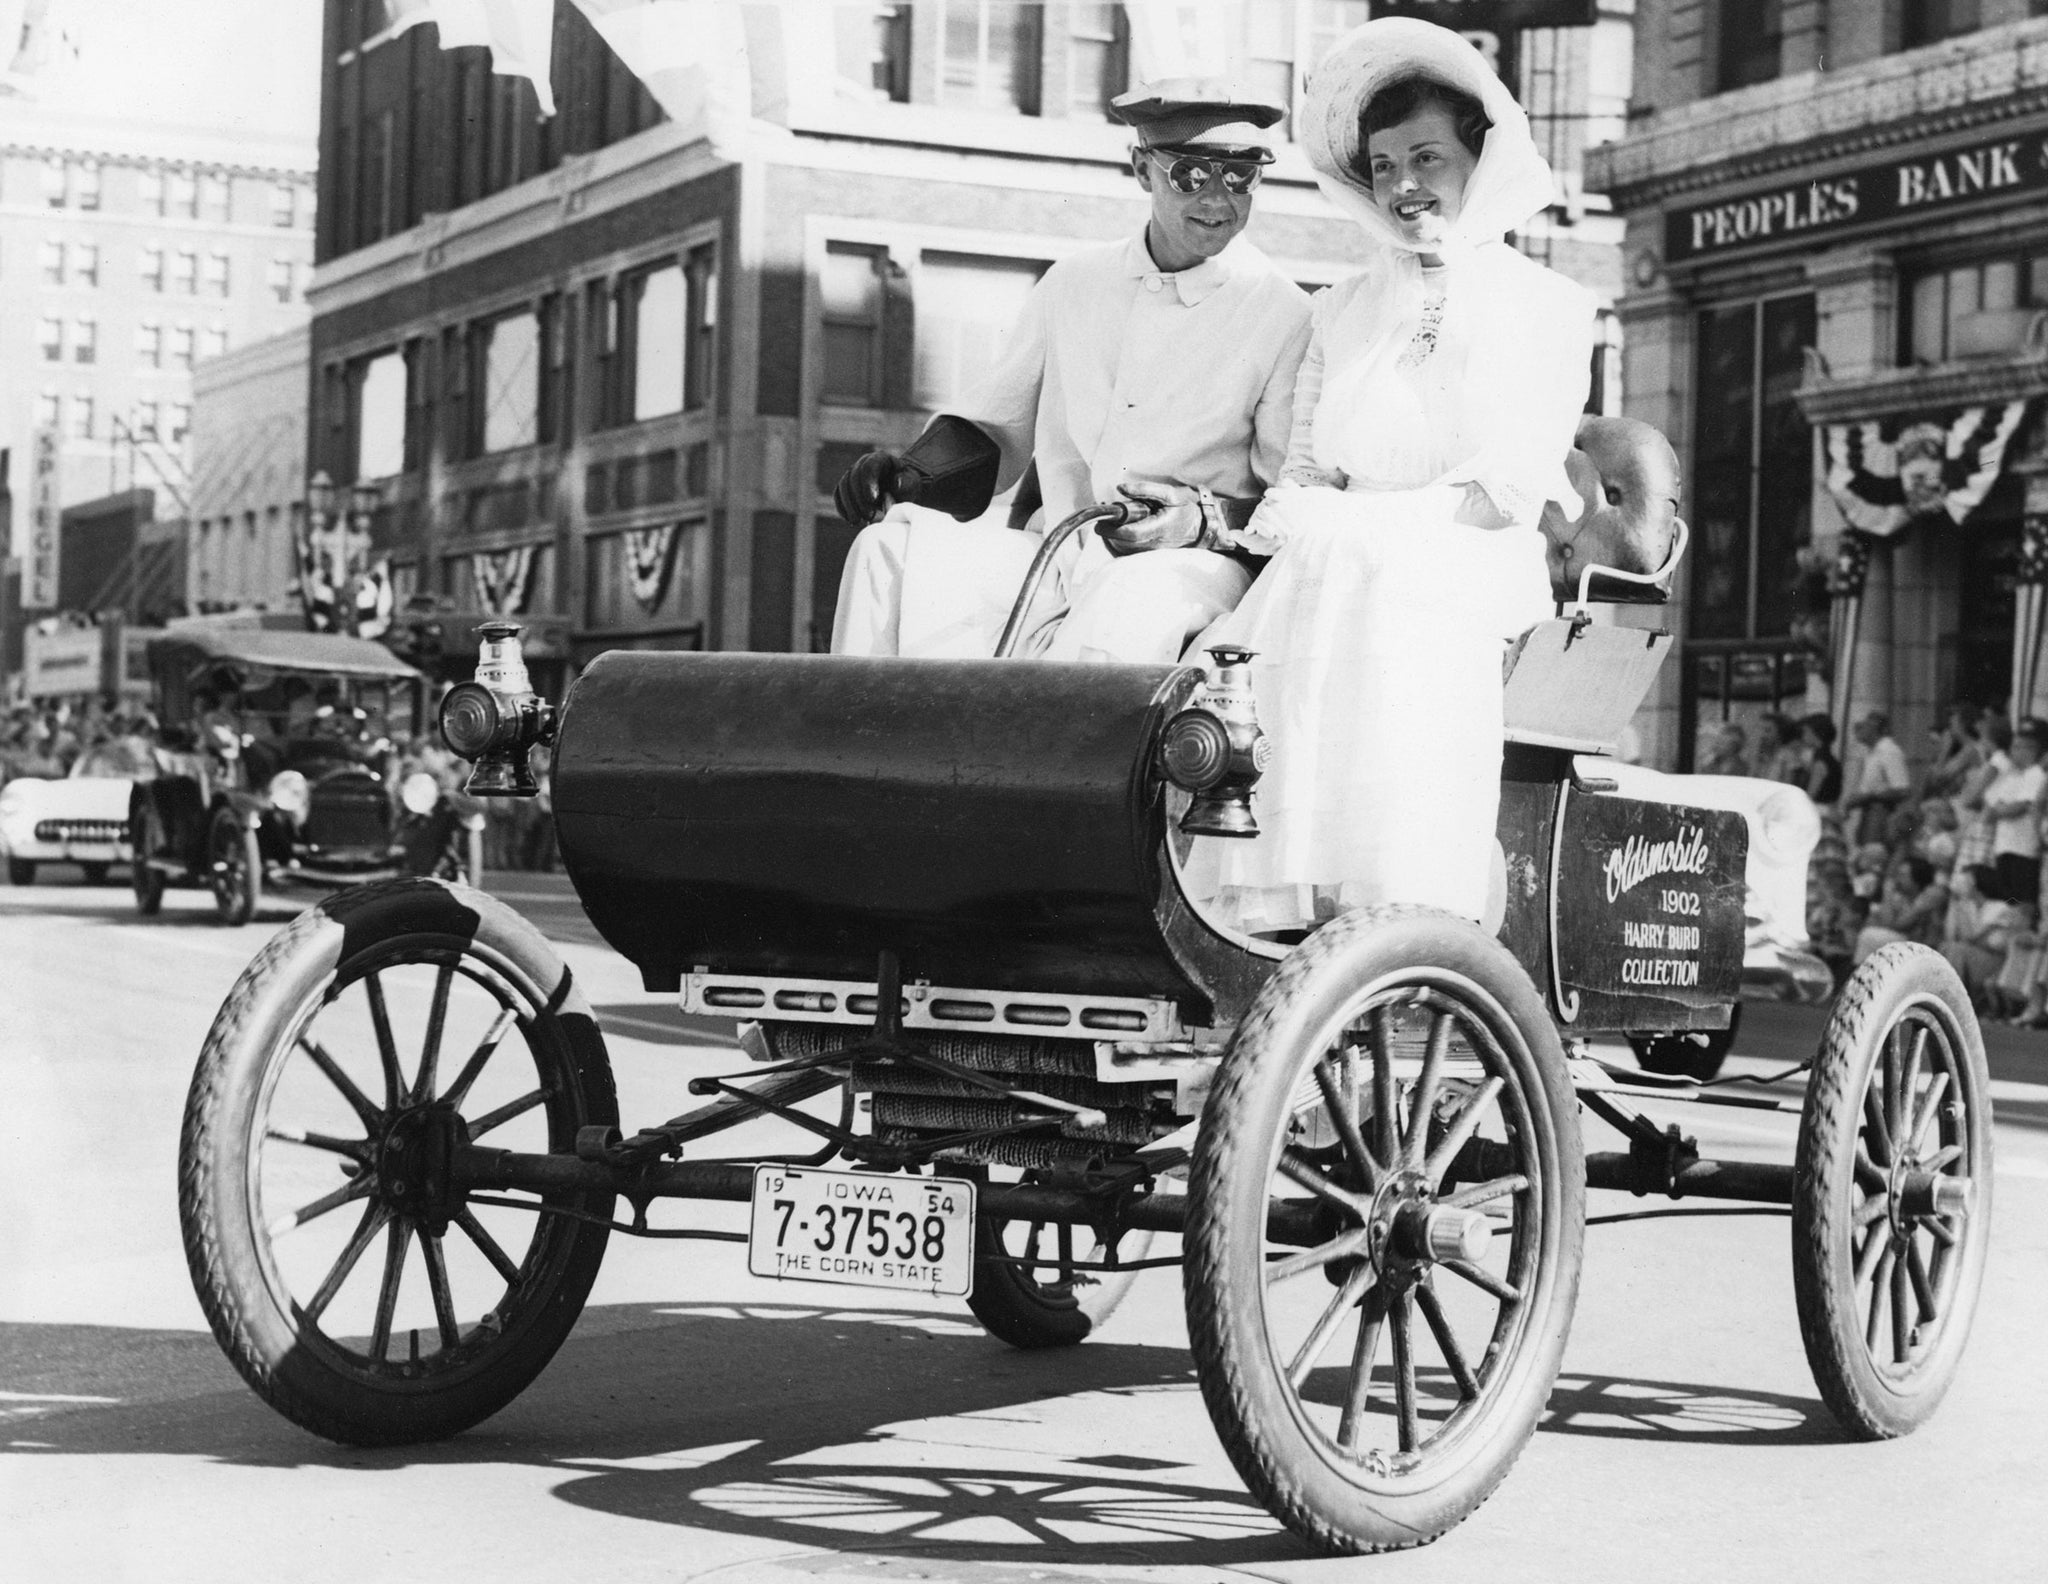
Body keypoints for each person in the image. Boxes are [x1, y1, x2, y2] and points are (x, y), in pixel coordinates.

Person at [1192, 19, 1594, 928]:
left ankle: (1402, 905)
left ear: (1480, 158)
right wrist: (1300, 525)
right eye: (1382, 166)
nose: (1405, 186)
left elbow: (1504, 493)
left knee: (1367, 572)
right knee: (1229, 645)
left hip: (1468, 558)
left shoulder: (1551, 308)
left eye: (1426, 157)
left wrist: (1352, 535)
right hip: (1339, 557)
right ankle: (1274, 909)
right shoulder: (1340, 309)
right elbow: (1303, 472)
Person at [830, 80, 1314, 663]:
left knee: (1127, 597)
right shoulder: (1075, 281)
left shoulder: (1286, 313)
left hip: (1192, 568)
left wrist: (1203, 521)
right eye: (1191, 174)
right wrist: (907, 474)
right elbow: (994, 424)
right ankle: (853, 750)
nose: (1217, 200)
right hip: (1058, 551)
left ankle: (1043, 760)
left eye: (1240, 176)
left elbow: (1293, 497)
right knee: (890, 550)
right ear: (1143, 169)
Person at [1981, 717, 2047, 905]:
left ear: (2032, 750)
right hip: (2005, 847)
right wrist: (1998, 809)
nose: (2013, 751)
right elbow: (1991, 806)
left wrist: (1997, 812)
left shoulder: (2035, 774)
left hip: (2023, 850)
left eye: (2019, 747)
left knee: (2022, 901)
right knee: (2009, 900)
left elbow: (2021, 806)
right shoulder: (2015, 776)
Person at [1844, 709, 1912, 846]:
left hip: (1882, 812)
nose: (1859, 730)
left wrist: (1869, 796)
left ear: (1875, 728)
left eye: (1865, 726)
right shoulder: (1872, 752)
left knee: (1873, 854)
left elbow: (1903, 790)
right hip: (1869, 812)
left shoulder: (1888, 751)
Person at [1798, 713, 1843, 807]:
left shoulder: (1821, 762)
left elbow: (1810, 796)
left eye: (1806, 732)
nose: (1803, 737)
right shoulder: (1828, 759)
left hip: (1820, 813)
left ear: (1816, 734)